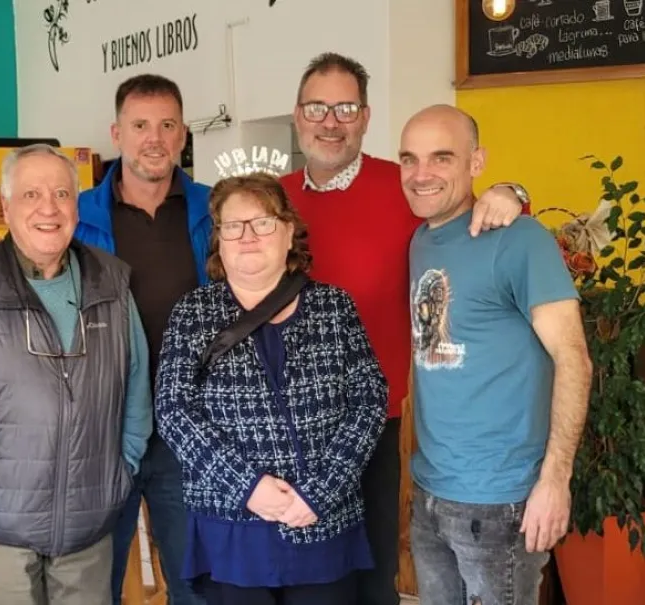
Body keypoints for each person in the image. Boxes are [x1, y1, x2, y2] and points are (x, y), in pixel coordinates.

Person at [280, 52, 529, 605]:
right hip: (287, 426)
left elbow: (468, 201)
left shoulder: (404, 188)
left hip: (376, 421)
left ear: (366, 117)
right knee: (299, 577)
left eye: (345, 107)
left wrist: (513, 192)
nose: (330, 120)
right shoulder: (274, 200)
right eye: (317, 107)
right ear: (298, 116)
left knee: (370, 577)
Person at [154, 173, 389, 605]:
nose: (247, 237)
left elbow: (369, 402)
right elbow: (173, 410)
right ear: (219, 241)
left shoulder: (334, 307)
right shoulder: (193, 314)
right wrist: (247, 486)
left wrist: (321, 490)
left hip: (320, 519)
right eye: (233, 226)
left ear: (287, 233)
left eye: (262, 223)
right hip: (232, 523)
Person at [0, 143, 153, 605]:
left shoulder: (111, 282)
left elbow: (135, 379)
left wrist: (124, 464)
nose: (48, 208)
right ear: (6, 204)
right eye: (32, 194)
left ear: (77, 205)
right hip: (0, 517)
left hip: (90, 516)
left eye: (61, 193)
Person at [400, 104, 591, 604]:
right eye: (409, 159)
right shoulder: (421, 239)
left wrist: (555, 481)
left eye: (442, 158)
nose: (422, 174)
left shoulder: (520, 240)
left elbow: (574, 358)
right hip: (430, 493)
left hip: (502, 502)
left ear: (476, 162)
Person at [74, 74, 210, 605]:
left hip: (191, 431)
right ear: (117, 133)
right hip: (105, 430)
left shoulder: (215, 209)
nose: (154, 138)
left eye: (167, 124)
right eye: (140, 125)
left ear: (182, 135)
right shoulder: (76, 216)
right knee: (95, 582)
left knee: (195, 582)